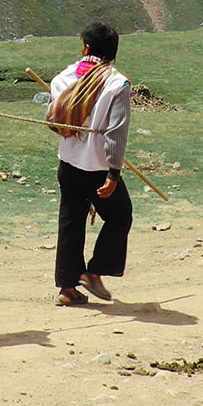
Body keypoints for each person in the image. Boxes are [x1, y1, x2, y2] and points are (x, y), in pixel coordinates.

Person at [49, 21, 133, 305]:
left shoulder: (63, 78)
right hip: (97, 169)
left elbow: (54, 121)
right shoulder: (116, 83)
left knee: (71, 221)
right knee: (120, 216)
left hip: (69, 164)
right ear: (113, 52)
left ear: (86, 47)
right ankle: (94, 272)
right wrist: (114, 172)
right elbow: (117, 132)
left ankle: (68, 289)